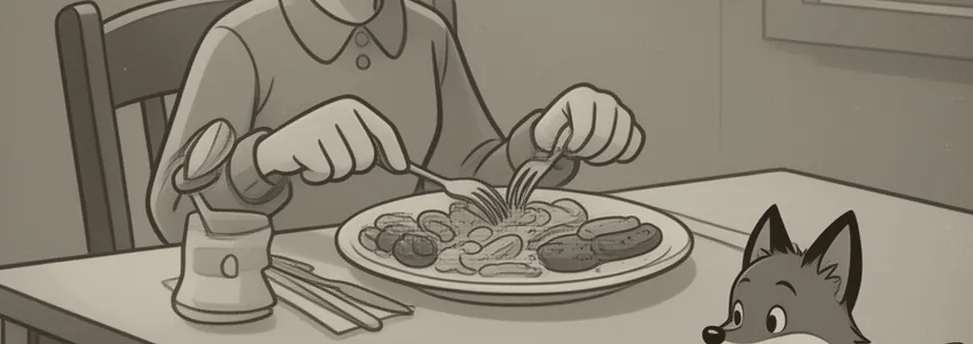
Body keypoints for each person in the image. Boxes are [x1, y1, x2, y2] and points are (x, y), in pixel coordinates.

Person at [149, 0, 646, 242]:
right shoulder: (238, 41)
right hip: (273, 305)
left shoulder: (428, 32)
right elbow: (173, 213)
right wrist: (265, 158)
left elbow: (466, 176)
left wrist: (542, 140)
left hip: (409, 301)